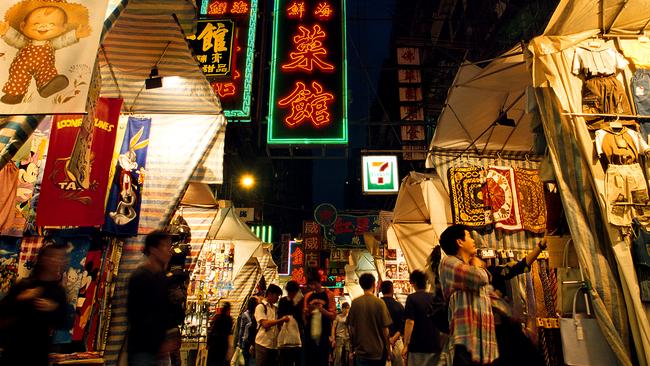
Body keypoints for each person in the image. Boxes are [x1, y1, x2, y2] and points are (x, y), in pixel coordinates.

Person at [439, 225, 497, 365]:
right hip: (465, 343)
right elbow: (480, 278)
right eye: (469, 236)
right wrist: (477, 265)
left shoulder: (467, 266)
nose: (473, 240)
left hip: (484, 345)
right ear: (460, 242)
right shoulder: (448, 262)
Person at [0, 244, 67, 365]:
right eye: (54, 257)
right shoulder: (25, 285)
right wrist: (21, 298)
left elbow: (63, 322)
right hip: (13, 352)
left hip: (38, 354)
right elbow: (3, 310)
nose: (58, 261)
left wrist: (53, 308)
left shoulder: (58, 291)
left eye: (62, 258)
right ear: (43, 259)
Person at [127, 231, 179, 366]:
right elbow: (137, 316)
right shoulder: (141, 277)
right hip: (143, 351)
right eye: (166, 247)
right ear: (153, 250)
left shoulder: (161, 277)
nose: (169, 252)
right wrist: (158, 344)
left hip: (159, 351)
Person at [347, 273, 392, 366]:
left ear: (361, 285)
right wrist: (388, 350)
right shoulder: (380, 303)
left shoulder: (355, 303)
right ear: (374, 284)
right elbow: (385, 330)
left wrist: (352, 349)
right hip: (377, 352)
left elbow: (351, 329)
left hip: (361, 352)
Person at [401, 270, 441, 365]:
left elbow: (410, 322)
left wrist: (406, 345)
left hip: (417, 346)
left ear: (414, 283)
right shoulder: (434, 298)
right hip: (434, 345)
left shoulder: (412, 298)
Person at [303, 268, 336, 366]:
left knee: (322, 361)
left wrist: (322, 310)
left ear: (319, 282)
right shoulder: (308, 296)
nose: (312, 286)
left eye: (314, 284)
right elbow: (304, 316)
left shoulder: (329, 295)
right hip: (309, 335)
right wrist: (307, 312)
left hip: (324, 335)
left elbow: (333, 316)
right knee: (309, 361)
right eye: (310, 284)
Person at [255, 284, 290, 366]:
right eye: (277, 295)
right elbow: (265, 324)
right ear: (270, 294)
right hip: (262, 345)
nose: (278, 298)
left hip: (273, 347)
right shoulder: (261, 307)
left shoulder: (275, 309)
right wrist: (281, 320)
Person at [278, 280, 304, 366]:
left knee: (298, 361)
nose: (290, 294)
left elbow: (302, 319)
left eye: (292, 292)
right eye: (289, 292)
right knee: (285, 362)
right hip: (285, 338)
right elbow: (279, 317)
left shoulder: (301, 301)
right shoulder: (283, 301)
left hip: (298, 339)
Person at [380, 281, 405, 366]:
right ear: (392, 290)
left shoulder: (377, 305)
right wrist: (394, 338)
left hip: (380, 343)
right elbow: (403, 325)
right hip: (396, 342)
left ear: (381, 290)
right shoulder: (399, 306)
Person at [207, 302, 234, 366]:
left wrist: (208, 342)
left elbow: (212, 330)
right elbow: (229, 332)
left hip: (215, 343)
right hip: (223, 344)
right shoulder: (229, 319)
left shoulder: (217, 318)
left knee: (214, 361)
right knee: (221, 361)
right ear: (228, 310)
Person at [238, 297, 259, 365]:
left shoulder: (245, 315)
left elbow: (242, 329)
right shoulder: (257, 315)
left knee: (245, 360)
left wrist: (239, 343)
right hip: (255, 341)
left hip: (246, 341)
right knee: (253, 360)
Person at [331, 302, 350, 366]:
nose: (347, 310)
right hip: (339, 337)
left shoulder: (349, 317)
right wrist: (333, 339)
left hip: (347, 338)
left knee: (346, 357)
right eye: (346, 308)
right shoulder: (338, 317)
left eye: (348, 308)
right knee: (338, 356)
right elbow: (333, 327)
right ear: (343, 309)